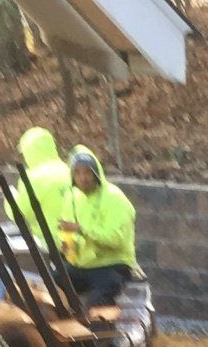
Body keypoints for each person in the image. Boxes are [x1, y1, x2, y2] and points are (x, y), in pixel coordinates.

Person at [59, 148, 138, 307]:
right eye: (78, 173)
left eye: (87, 173)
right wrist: (64, 244)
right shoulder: (72, 197)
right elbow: (65, 231)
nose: (83, 178)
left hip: (111, 265)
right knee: (50, 288)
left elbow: (116, 239)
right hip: (80, 265)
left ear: (96, 173)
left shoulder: (114, 198)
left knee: (96, 304)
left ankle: (103, 329)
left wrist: (81, 230)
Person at [15, 125, 71, 252]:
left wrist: (11, 200)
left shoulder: (32, 178)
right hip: (76, 244)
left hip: (49, 246)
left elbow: (21, 215)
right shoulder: (69, 170)